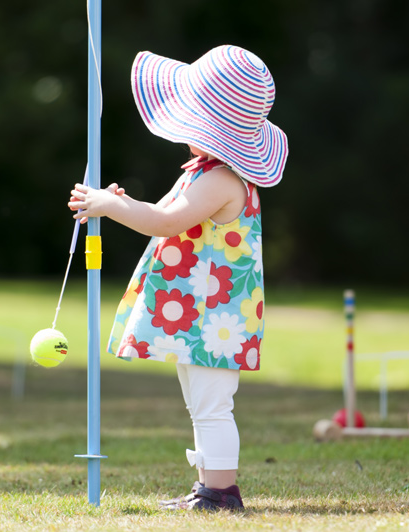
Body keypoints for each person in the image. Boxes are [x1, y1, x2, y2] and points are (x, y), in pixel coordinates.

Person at [68, 45, 288, 511]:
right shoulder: (201, 171)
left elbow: (166, 225)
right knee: (200, 404)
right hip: (198, 311)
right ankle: (207, 487)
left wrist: (111, 208)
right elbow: (158, 212)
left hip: (217, 315)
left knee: (212, 405)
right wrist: (115, 202)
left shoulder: (224, 180)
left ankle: (222, 494)